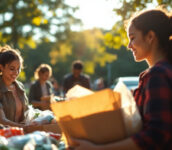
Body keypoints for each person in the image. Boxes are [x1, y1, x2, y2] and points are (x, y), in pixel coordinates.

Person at [72, 8, 172, 150]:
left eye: (132, 38)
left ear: (150, 37)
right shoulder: (162, 71)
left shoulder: (158, 74)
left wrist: (96, 148)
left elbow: (155, 136)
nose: (129, 46)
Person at [0, 45, 28, 128]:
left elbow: (26, 113)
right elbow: (1, 120)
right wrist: (25, 128)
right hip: (3, 136)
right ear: (2, 67)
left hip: (22, 135)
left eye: (18, 68)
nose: (16, 72)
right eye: (12, 69)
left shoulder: (20, 86)